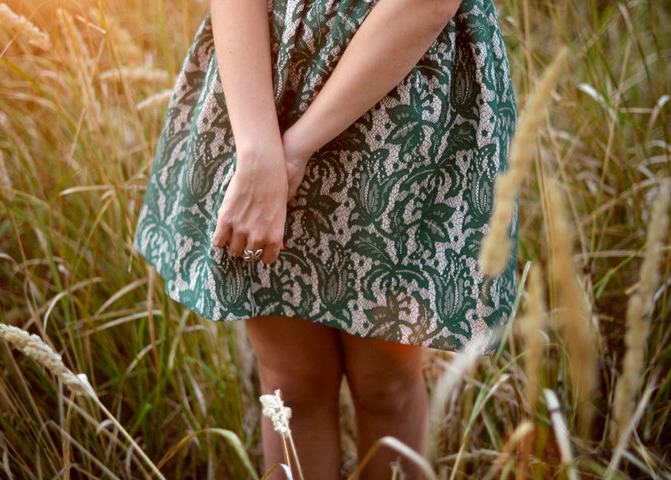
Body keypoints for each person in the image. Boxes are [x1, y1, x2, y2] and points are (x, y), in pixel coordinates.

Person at [133, 0, 518, 477]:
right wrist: (258, 153)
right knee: (290, 386)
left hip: (401, 99)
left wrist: (292, 154)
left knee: (387, 386)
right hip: (264, 87)